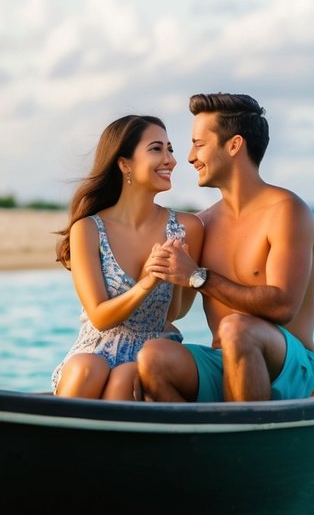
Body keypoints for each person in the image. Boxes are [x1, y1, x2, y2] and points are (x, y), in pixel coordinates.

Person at [137, 93, 314, 403]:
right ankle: (201, 447)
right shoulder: (202, 224)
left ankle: (245, 445)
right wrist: (155, 274)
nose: (190, 157)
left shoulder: (287, 211)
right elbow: (175, 312)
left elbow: (282, 306)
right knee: (153, 357)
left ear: (234, 145)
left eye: (199, 144)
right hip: (224, 361)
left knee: (236, 328)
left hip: (288, 365)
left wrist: (197, 276)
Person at [52, 114, 204, 400]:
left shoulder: (188, 228)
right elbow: (99, 316)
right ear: (124, 164)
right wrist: (147, 283)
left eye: (169, 149)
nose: (171, 160)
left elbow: (174, 314)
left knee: (126, 376)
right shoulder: (87, 229)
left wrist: (182, 275)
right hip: (95, 347)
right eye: (156, 149)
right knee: (87, 368)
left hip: (153, 350)